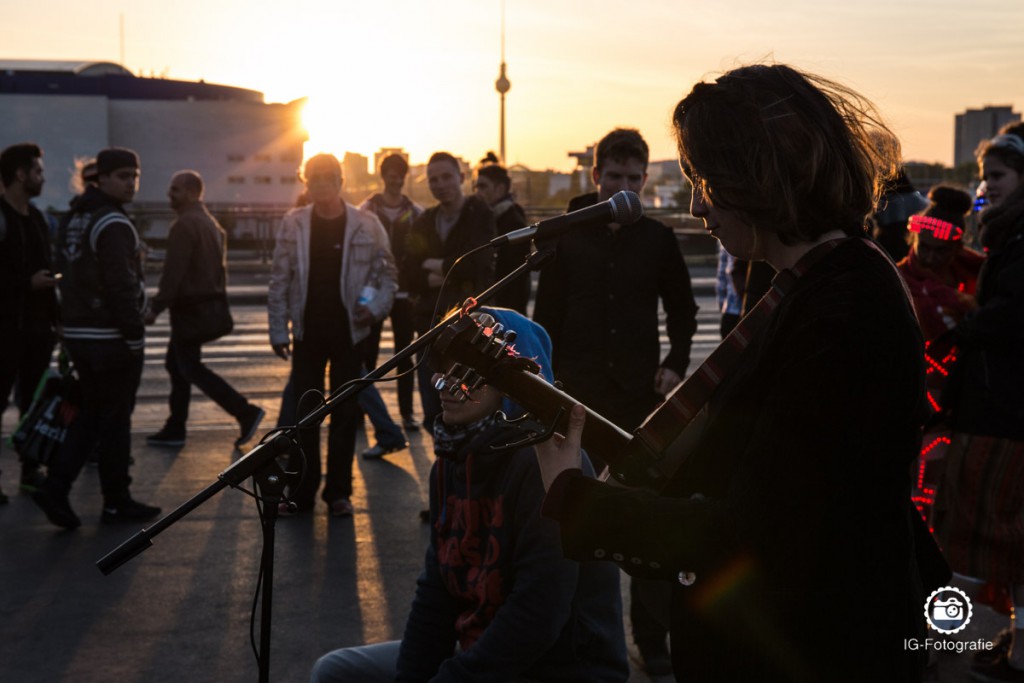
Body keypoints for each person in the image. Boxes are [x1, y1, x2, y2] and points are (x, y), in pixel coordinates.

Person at [535, 64, 939, 681]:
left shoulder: (849, 308)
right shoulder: (799, 282)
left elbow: (756, 534)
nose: (696, 203)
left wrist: (575, 497)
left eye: (705, 179)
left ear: (760, 174)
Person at [310, 308, 629, 683]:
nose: (443, 384)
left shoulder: (544, 461)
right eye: (444, 370)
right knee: (335, 671)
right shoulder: (451, 460)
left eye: (466, 373)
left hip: (557, 666)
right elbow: (436, 594)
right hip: (477, 646)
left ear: (516, 387)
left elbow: (537, 615)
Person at [532, 127, 698, 674]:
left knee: (642, 519)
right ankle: (575, 634)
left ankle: (651, 638)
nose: (625, 185)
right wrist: (544, 379)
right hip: (574, 391)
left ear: (645, 180)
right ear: (596, 175)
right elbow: (546, 314)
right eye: (615, 176)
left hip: (634, 399)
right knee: (570, 521)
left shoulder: (659, 239)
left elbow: (683, 308)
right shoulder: (567, 237)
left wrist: (674, 361)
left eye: (635, 178)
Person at [935, 125, 1024, 682]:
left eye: (997, 176)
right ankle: (1011, 654)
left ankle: (946, 652)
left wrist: (962, 326)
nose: (986, 187)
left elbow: (1016, 313)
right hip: (1006, 409)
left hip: (1000, 412)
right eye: (984, 176)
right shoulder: (1008, 233)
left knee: (969, 538)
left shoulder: (1018, 237)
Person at [33, 147, 160, 529]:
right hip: (109, 337)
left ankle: (55, 488)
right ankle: (116, 501)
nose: (131, 183)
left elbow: (66, 272)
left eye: (134, 176)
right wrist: (134, 335)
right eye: (123, 176)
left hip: (79, 333)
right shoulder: (112, 223)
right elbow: (120, 285)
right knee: (115, 421)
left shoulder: (75, 216)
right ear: (100, 179)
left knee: (90, 416)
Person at [268, 153, 397, 517]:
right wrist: (278, 328)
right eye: (315, 177)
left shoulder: (365, 224)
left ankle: (338, 493)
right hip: (307, 334)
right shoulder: (293, 224)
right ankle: (301, 492)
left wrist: (373, 308)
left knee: (344, 416)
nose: (322, 182)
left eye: (329, 176)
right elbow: (279, 279)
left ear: (341, 181)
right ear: (306, 182)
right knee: (304, 416)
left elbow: (388, 275)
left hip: (349, 335)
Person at [143, 170, 265, 448]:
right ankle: (175, 427)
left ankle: (244, 411)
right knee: (176, 366)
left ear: (189, 193)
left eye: (174, 190)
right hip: (205, 306)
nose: (169, 194)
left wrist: (156, 307)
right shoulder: (211, 223)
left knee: (190, 368)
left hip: (189, 309)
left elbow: (173, 274)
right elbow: (222, 271)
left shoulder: (184, 225)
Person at [401, 152, 495, 431]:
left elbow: (476, 264)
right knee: (434, 413)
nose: (440, 184)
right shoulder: (424, 221)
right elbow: (408, 272)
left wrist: (434, 266)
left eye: (446, 177)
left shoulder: (480, 214)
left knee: (471, 414)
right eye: (433, 179)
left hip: (470, 331)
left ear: (462, 178)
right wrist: (449, 271)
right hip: (429, 329)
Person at [0, 143, 58, 502]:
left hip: (38, 330)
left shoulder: (37, 218)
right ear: (20, 175)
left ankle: (29, 470)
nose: (42, 176)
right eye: (37, 171)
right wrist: (27, 284)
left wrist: (58, 321)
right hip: (5, 329)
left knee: (33, 403)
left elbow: (47, 269)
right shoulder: (1, 217)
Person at [357, 153, 423, 454]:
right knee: (367, 353)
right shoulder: (367, 209)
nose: (395, 179)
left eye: (400, 174)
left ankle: (407, 412)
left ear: (405, 176)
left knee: (405, 353)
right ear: (383, 177)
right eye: (391, 174)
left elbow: (422, 251)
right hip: (374, 290)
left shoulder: (416, 212)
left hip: (405, 292)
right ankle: (361, 410)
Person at [474, 156, 531, 313]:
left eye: (483, 186)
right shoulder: (490, 218)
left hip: (504, 311)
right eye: (476, 187)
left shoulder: (513, 223)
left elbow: (513, 280)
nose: (477, 192)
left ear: (499, 189)